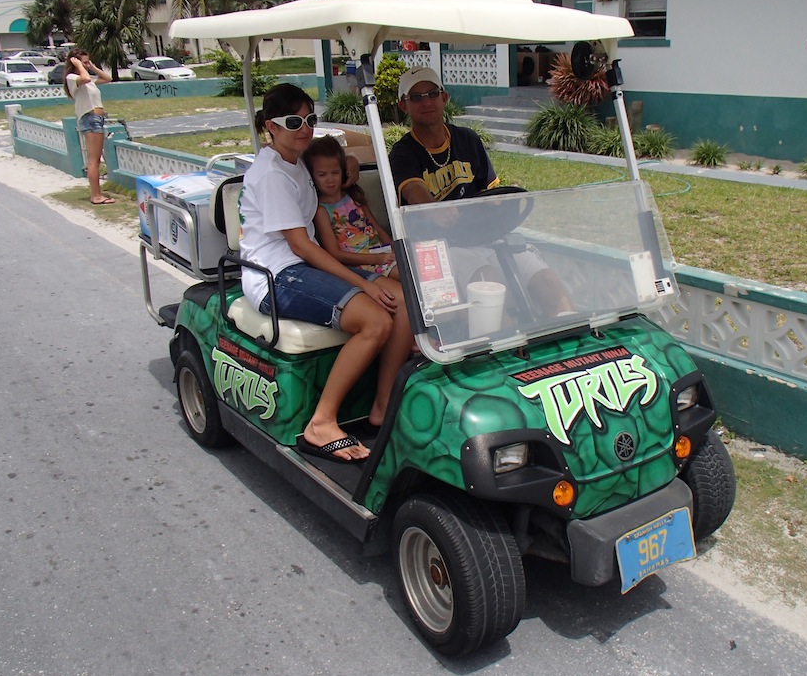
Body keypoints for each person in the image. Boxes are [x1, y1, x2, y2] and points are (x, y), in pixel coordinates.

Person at [238, 84, 412, 462]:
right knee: (376, 320)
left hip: (302, 266)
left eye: (310, 120)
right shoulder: (272, 175)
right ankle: (322, 423)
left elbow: (333, 154)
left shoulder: (295, 158)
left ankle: (382, 406)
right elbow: (302, 246)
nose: (305, 129)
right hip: (275, 274)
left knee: (404, 300)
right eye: (294, 122)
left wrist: (350, 161)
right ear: (271, 127)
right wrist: (362, 284)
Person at [389, 66, 573, 316]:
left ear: (444, 98)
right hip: (443, 245)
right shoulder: (403, 152)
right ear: (404, 106)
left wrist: (498, 204)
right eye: (416, 97)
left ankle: (574, 335)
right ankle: (507, 338)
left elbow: (490, 191)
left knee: (547, 281)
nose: (427, 102)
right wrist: (434, 209)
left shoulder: (468, 139)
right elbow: (413, 190)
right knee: (488, 283)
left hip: (486, 237)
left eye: (432, 94)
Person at [304, 136, 399, 280]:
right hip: (360, 265)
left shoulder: (354, 196)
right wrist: (377, 259)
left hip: (383, 255)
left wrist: (393, 248)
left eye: (335, 172)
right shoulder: (321, 211)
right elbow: (335, 253)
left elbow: (377, 228)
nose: (330, 179)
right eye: (322, 175)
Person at [64, 49, 113, 205]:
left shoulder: (88, 79)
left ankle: (97, 194)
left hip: (96, 118)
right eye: (84, 62)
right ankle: (96, 196)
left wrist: (92, 66)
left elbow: (108, 78)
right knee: (94, 161)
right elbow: (84, 78)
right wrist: (79, 66)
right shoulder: (73, 78)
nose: (86, 65)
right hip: (90, 118)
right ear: (74, 63)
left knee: (95, 160)